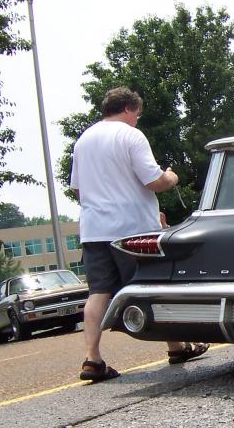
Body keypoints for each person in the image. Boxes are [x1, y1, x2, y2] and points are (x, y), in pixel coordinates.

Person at [70, 87, 209, 382]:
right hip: (131, 228)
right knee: (152, 284)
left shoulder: (83, 140)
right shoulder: (131, 135)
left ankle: (92, 359)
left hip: (94, 229)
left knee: (98, 292)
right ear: (129, 109)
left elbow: (78, 190)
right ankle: (177, 346)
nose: (137, 119)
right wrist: (171, 177)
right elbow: (153, 181)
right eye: (138, 114)